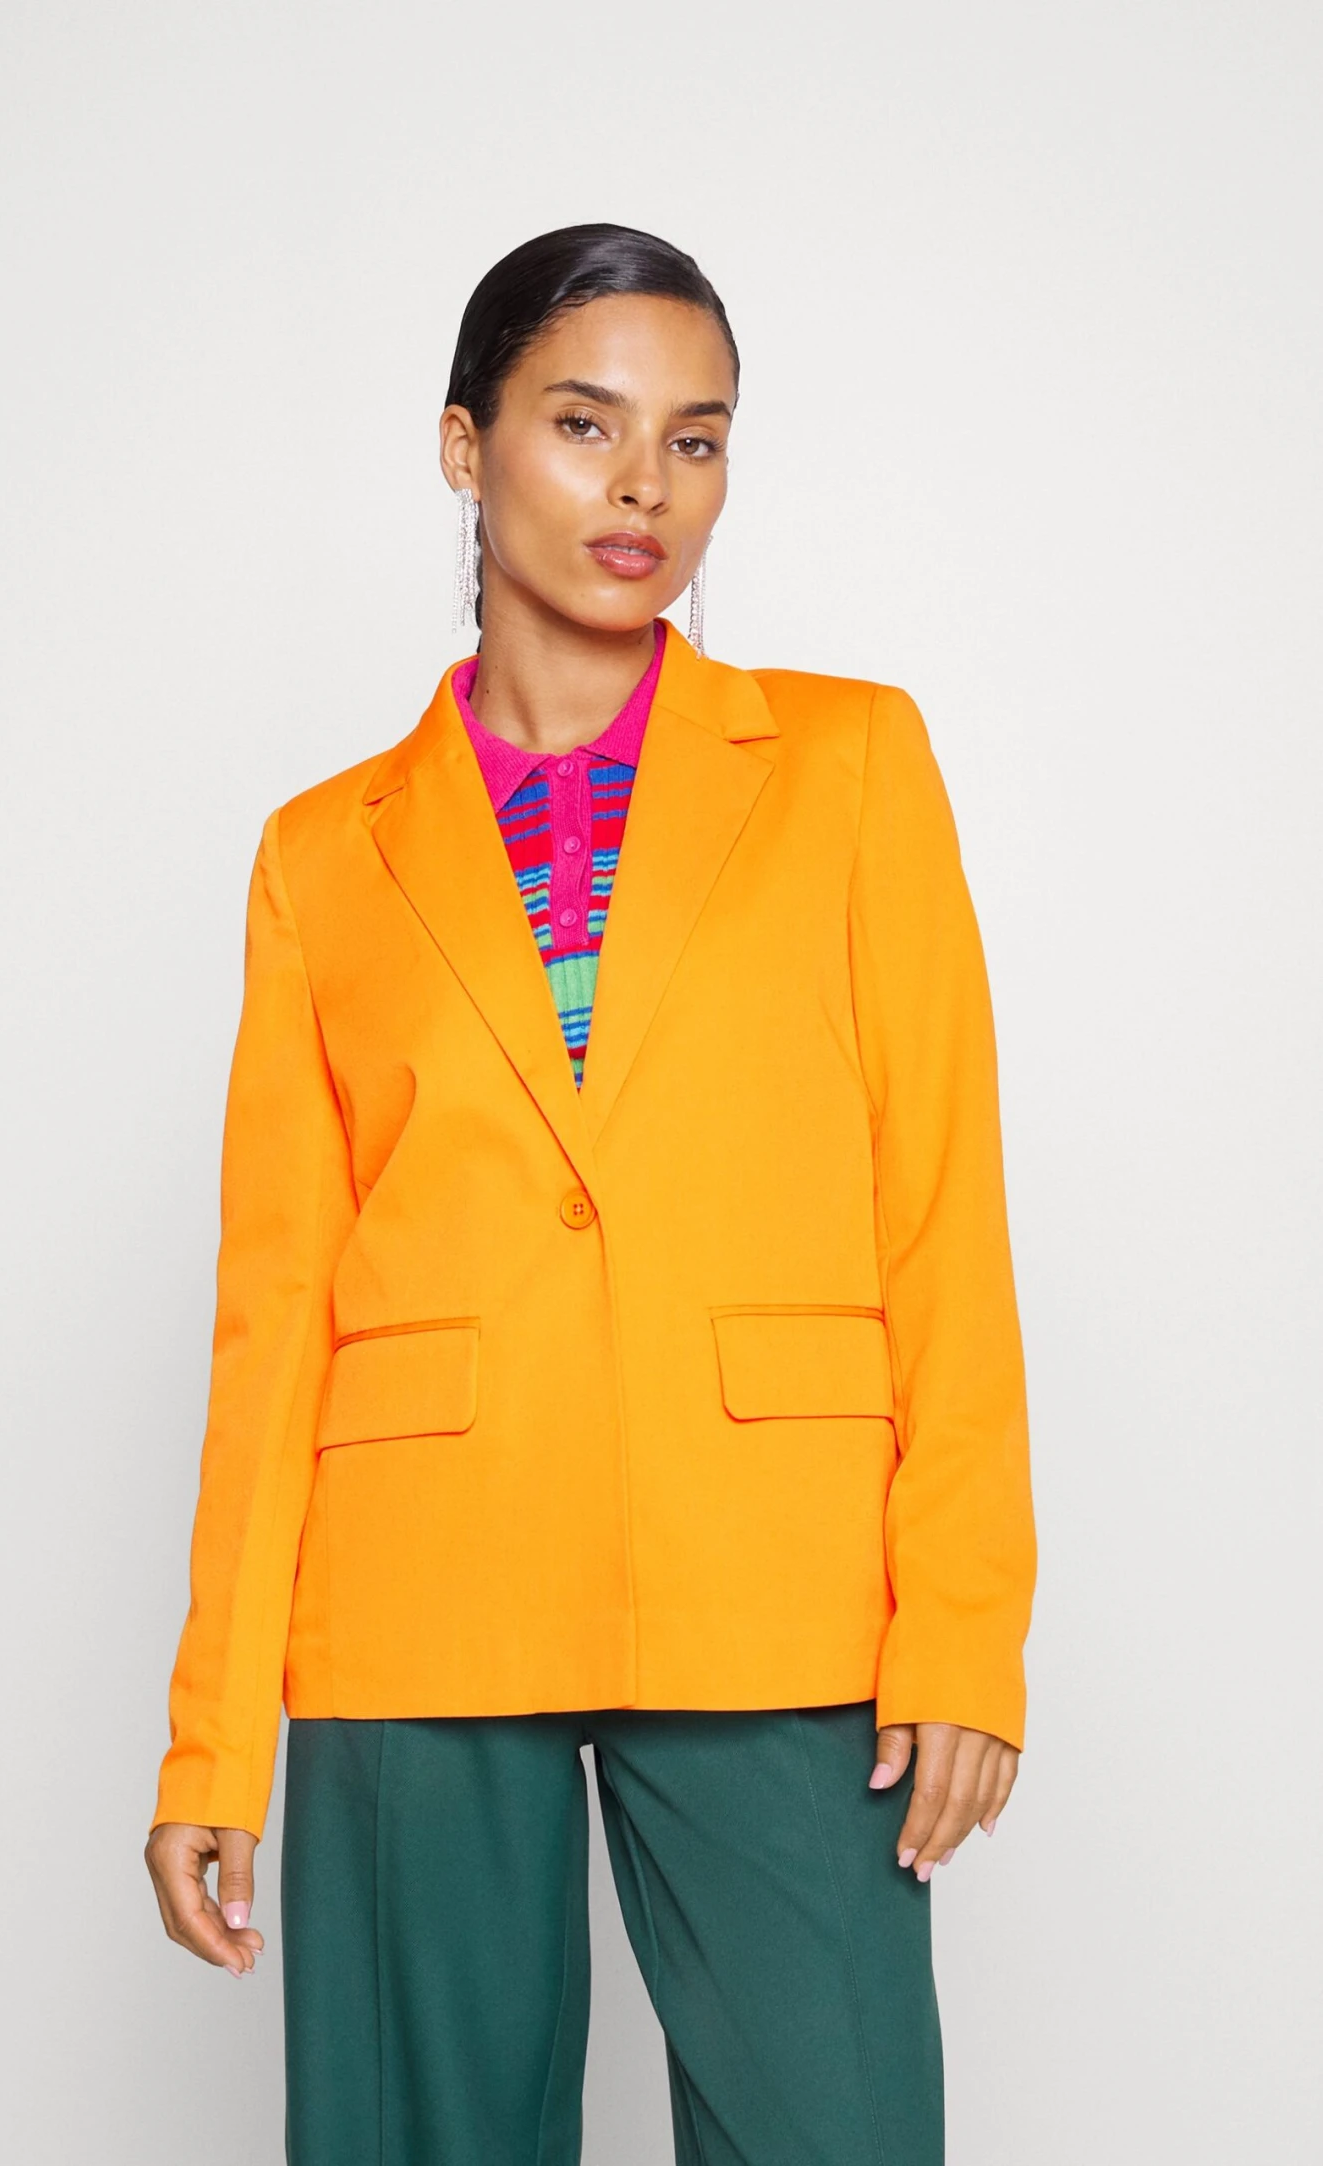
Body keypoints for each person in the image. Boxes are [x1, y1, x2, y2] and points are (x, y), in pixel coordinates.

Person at [145, 222, 1037, 2166]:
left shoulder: (854, 764)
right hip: (417, 1599)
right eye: (585, 424)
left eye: (695, 439)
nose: (646, 487)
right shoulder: (321, 856)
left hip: (771, 1580)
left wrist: (965, 1625)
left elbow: (943, 1218)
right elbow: (273, 1314)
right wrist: (214, 1734)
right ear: (462, 447)